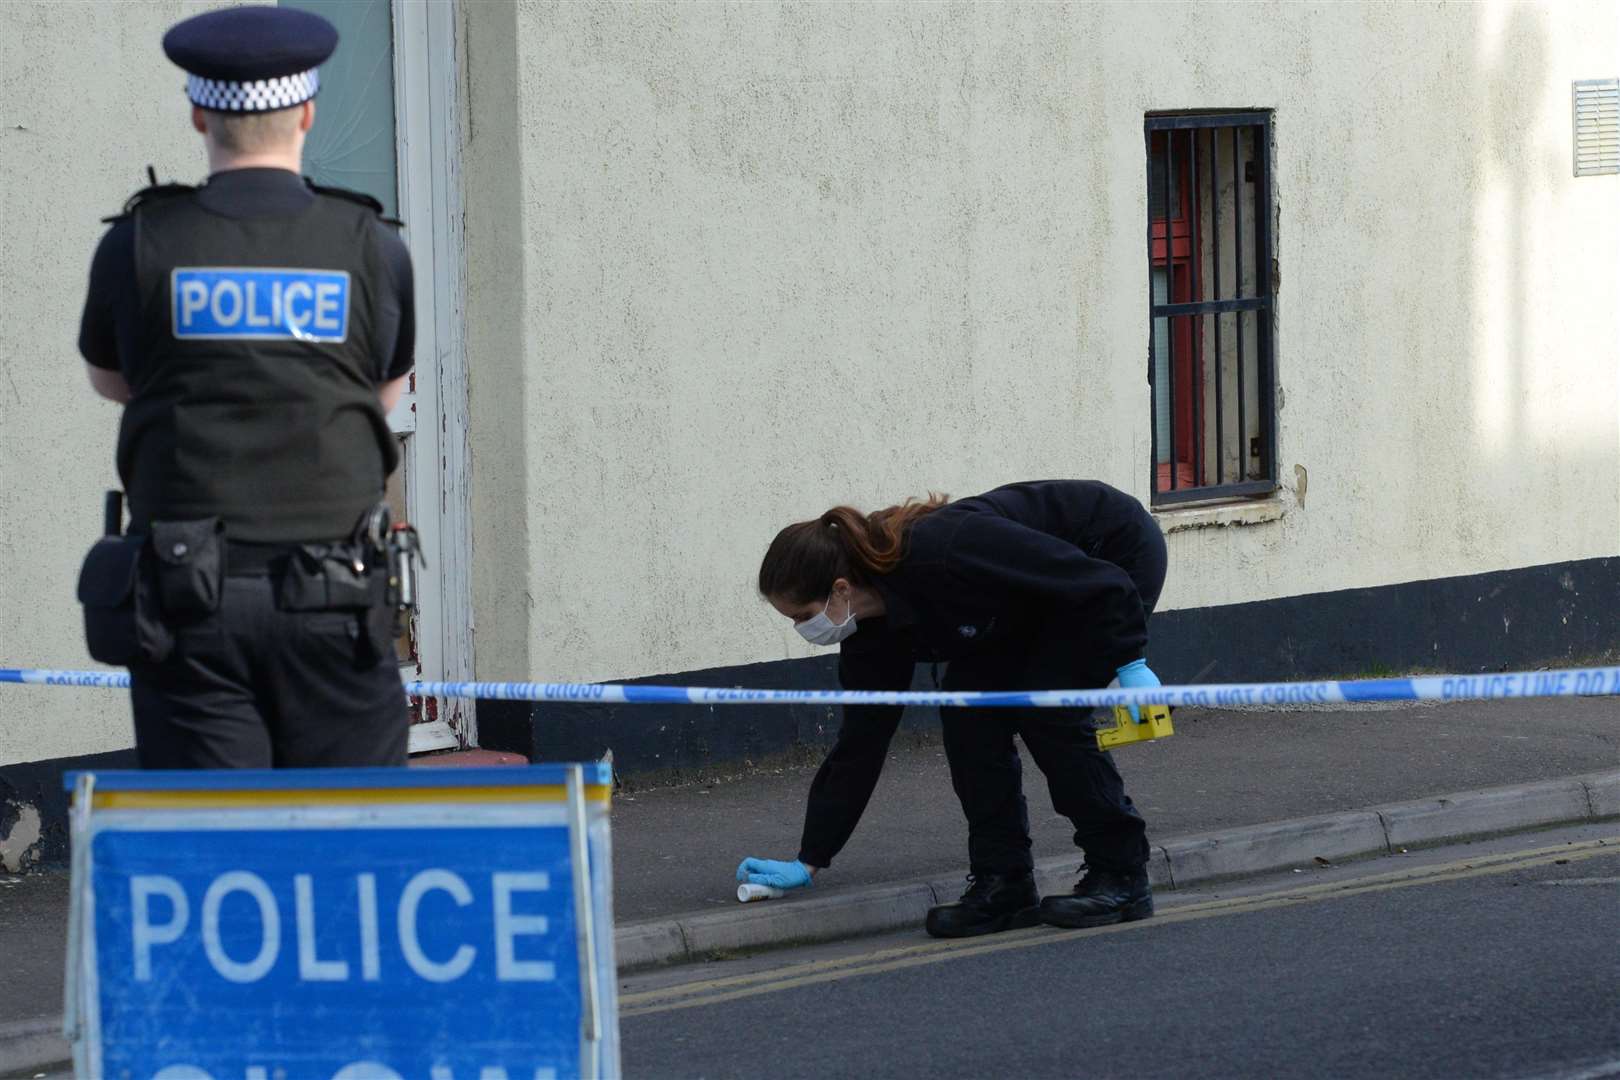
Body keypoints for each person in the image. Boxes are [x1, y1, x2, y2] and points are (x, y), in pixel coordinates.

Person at [75, 6, 415, 769]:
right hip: (336, 594)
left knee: (218, 841)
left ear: (199, 113)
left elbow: (113, 381)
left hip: (188, 599)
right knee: (348, 839)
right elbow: (383, 396)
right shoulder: (373, 248)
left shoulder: (137, 244)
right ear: (307, 112)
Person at [740, 480, 1167, 937]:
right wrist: (810, 859)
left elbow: (1100, 584)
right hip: (1017, 601)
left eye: (802, 616)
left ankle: (1121, 874)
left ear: (840, 589)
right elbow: (861, 742)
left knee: (1048, 710)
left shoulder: (945, 550)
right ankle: (1003, 883)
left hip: (1109, 558)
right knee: (968, 717)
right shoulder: (868, 634)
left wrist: (1131, 661)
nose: (804, 629)